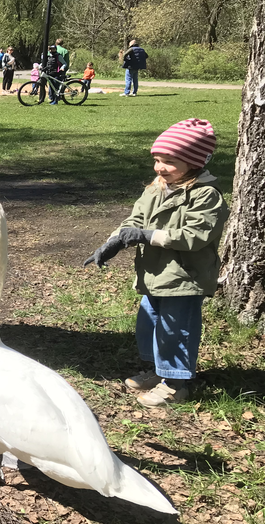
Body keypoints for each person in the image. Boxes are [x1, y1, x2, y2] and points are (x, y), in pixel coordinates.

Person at [83, 119, 228, 408]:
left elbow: (194, 236)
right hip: (155, 273)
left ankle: (175, 383)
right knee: (149, 325)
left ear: (195, 162)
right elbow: (134, 221)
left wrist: (146, 236)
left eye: (170, 161)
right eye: (158, 160)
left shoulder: (206, 195)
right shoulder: (156, 188)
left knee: (176, 329)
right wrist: (114, 241)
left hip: (185, 276)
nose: (160, 167)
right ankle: (156, 370)